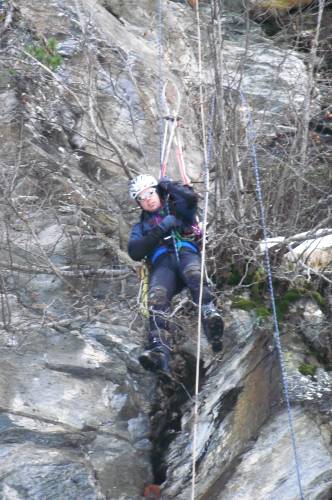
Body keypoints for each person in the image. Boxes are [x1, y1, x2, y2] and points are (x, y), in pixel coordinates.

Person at [127, 174, 224, 377]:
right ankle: (159, 351)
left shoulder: (178, 208)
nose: (148, 199)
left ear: (158, 191)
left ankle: (210, 315)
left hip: (186, 252)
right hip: (163, 264)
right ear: (138, 203)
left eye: (151, 192)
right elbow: (135, 251)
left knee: (194, 274)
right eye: (142, 197)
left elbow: (190, 199)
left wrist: (168, 184)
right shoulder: (141, 227)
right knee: (157, 297)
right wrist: (161, 228)